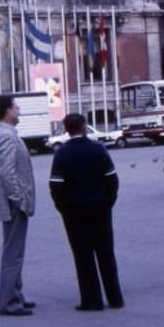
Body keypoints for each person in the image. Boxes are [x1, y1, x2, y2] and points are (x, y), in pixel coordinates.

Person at [48, 112, 124, 311]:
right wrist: (109, 202)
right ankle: (115, 298)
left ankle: (92, 300)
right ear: (84, 127)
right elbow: (112, 180)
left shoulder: (61, 154)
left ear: (66, 129)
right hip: (100, 208)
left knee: (83, 255)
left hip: (74, 212)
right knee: (106, 253)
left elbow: (55, 186)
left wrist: (63, 208)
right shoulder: (98, 149)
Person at [0, 95, 36, 316]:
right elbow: (7, 173)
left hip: (11, 202)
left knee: (14, 250)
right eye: (16, 107)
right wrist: (18, 199)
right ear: (8, 111)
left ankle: (16, 294)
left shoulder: (2, 134)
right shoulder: (6, 136)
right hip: (13, 204)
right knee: (13, 252)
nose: (19, 110)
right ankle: (9, 301)